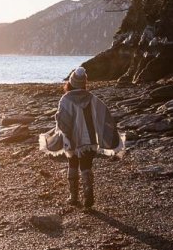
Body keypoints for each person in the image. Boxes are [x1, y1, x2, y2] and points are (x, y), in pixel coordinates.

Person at [39, 67, 124, 208]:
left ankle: (73, 197)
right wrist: (108, 133)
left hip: (71, 139)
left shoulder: (65, 99)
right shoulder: (92, 99)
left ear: (71, 83)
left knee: (72, 164)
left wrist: (62, 130)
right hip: (89, 140)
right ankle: (88, 194)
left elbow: (63, 121)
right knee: (86, 166)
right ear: (84, 83)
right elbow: (105, 115)